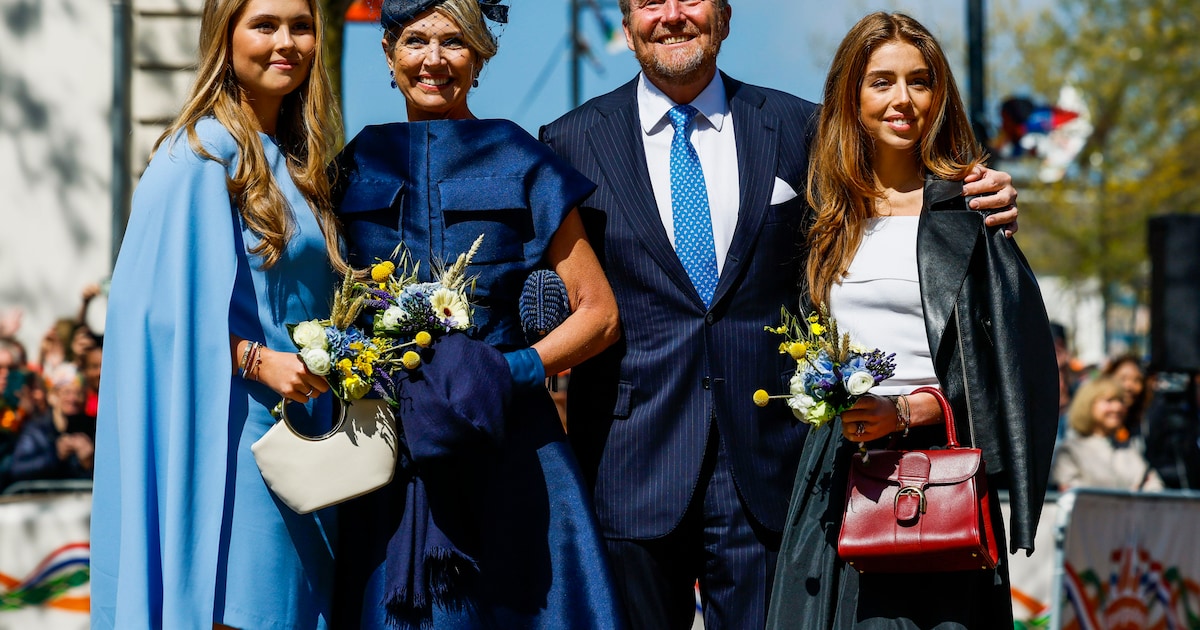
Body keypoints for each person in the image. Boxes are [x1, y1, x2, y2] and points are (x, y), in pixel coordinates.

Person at [539, 3, 1021, 629]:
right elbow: (550, 280)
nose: (673, 16)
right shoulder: (569, 140)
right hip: (630, 467)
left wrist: (979, 194)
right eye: (650, 1)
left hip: (775, 474)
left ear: (725, 16)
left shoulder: (802, 128)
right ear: (627, 26)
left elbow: (895, 198)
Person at [330, 0, 623, 627]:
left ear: (479, 59)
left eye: (454, 43)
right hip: (385, 453)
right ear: (388, 54)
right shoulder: (355, 163)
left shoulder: (520, 157)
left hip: (513, 449)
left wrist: (510, 371)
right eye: (415, 42)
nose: (433, 60)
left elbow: (597, 313)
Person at [765, 12, 1058, 629]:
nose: (903, 98)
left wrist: (919, 407)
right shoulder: (819, 216)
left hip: (941, 469)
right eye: (881, 81)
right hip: (837, 470)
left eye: (919, 81)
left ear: (938, 94)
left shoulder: (973, 211)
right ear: (852, 95)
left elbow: (1012, 366)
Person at [89, 0, 344, 627]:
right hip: (234, 443)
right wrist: (256, 361)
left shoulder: (300, 162)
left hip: (311, 440)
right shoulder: (201, 152)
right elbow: (149, 318)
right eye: (265, 25)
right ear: (223, 38)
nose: (286, 42)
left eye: (301, 26)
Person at [1053, 376, 1164, 491]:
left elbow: (1153, 486)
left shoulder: (1129, 449)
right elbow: (1075, 496)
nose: (1117, 408)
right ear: (1088, 404)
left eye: (1121, 401)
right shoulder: (1070, 451)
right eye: (1109, 401)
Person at [10, 364, 95, 483]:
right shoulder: (37, 429)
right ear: (52, 396)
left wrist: (89, 461)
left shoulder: (94, 428)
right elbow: (17, 469)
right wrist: (56, 455)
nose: (73, 399)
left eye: (79, 393)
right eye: (66, 392)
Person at [1102, 353, 1149, 438]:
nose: (1129, 386)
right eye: (1123, 379)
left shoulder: (1144, 422)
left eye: (1136, 380)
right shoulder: (1099, 418)